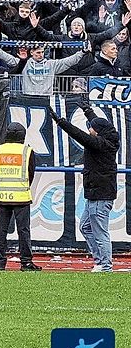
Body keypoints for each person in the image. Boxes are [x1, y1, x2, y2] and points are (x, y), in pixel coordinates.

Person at [50, 104, 119, 273]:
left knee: (100, 231)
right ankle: (100, 261)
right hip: (94, 193)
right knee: (86, 227)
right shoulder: (106, 138)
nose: (90, 130)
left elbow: (80, 135)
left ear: (97, 131)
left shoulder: (101, 144)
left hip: (100, 195)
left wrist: (61, 123)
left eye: (92, 128)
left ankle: (105, 266)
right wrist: (88, 112)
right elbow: (98, 125)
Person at [0, 122, 40, 272]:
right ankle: (26, 263)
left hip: (1, 195)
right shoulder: (27, 151)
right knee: (23, 230)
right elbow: (31, 173)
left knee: (1, 231)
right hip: (21, 195)